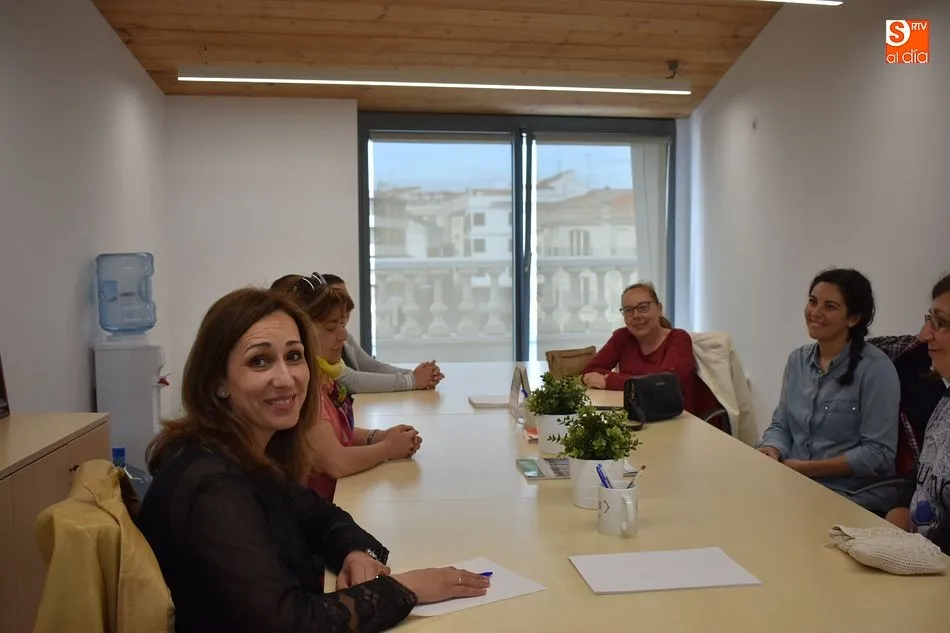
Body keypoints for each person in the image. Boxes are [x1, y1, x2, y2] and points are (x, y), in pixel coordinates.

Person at [135, 287, 489, 633]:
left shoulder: (247, 450)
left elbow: (319, 515)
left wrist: (355, 553)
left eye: (294, 356)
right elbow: (288, 622)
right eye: (259, 361)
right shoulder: (213, 487)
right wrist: (407, 588)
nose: (286, 378)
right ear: (217, 382)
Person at [756, 268, 901, 513]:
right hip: (796, 482)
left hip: (850, 494)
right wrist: (771, 449)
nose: (815, 312)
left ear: (853, 318)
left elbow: (879, 453)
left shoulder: (876, 369)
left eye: (830, 306)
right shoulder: (797, 360)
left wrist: (807, 469)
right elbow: (781, 425)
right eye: (812, 301)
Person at [271, 273, 422, 501]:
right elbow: (336, 463)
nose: (343, 336)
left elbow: (332, 434)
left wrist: (380, 436)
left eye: (342, 324)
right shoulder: (303, 390)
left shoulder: (321, 377)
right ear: (300, 334)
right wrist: (388, 448)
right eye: (331, 327)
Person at [581, 281, 718, 416]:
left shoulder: (679, 339)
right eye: (628, 310)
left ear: (659, 309)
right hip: (635, 415)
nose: (636, 315)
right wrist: (636, 384)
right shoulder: (622, 337)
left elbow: (663, 386)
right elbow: (590, 371)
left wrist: (609, 380)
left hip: (677, 419)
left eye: (643, 307)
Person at [885, 274, 950, 553]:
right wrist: (900, 507)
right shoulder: (944, 399)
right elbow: (925, 468)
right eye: (930, 319)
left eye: (941, 323)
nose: (924, 335)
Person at [320, 272, 444, 393]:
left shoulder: (347, 338)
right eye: (336, 300)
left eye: (345, 299)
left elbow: (373, 367)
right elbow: (352, 380)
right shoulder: (316, 347)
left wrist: (419, 375)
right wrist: (412, 380)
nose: (344, 307)